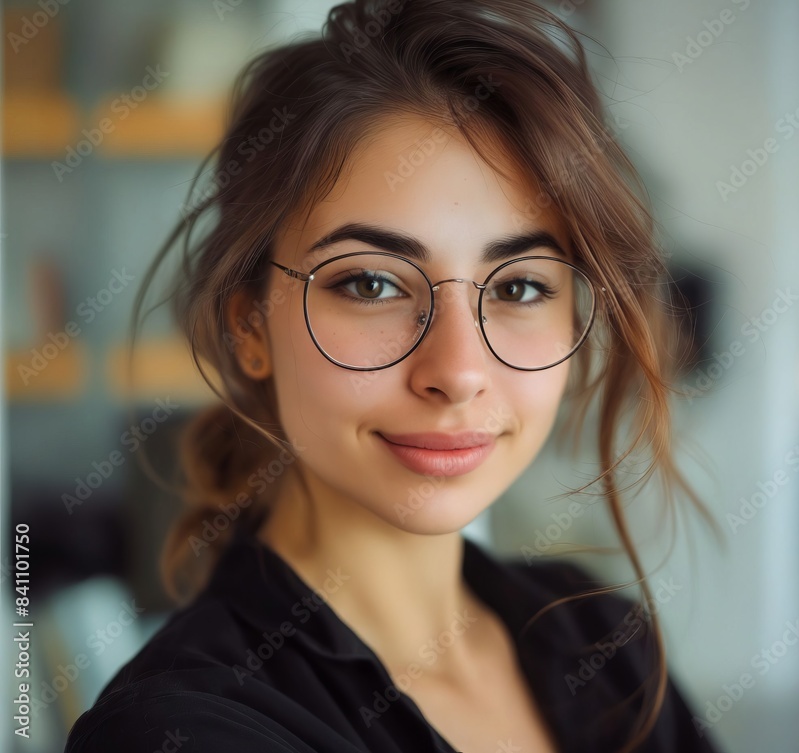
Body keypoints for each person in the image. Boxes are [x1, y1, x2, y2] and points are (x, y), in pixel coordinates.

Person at [65, 1, 723, 751]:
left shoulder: (599, 638)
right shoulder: (185, 731)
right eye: (373, 284)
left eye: (518, 288)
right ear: (249, 325)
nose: (458, 371)